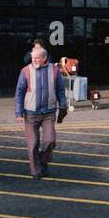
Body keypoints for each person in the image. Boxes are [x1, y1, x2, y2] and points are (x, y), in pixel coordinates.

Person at [15, 43, 67, 179]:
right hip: (31, 114)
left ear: (45, 58)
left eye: (37, 58)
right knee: (33, 144)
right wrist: (18, 112)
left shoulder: (55, 70)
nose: (34, 60)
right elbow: (19, 92)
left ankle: (43, 162)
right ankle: (36, 171)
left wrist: (63, 105)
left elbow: (61, 90)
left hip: (49, 113)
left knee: (50, 140)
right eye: (33, 58)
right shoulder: (25, 71)